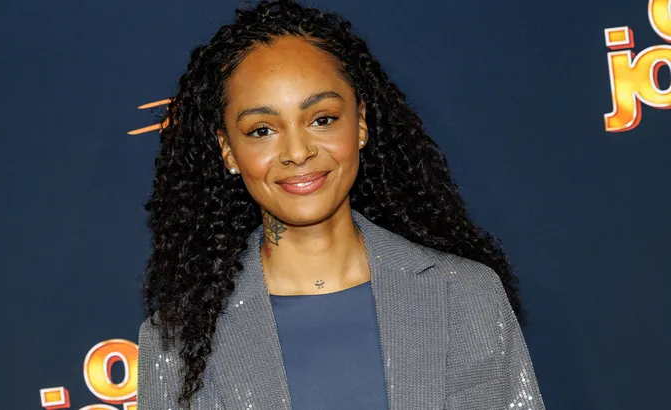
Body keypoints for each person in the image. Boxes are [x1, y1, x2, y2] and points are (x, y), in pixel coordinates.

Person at [136, 0, 545, 409]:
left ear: (361, 122)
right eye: (262, 130)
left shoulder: (466, 294)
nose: (298, 152)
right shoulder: (177, 340)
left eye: (322, 119)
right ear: (228, 149)